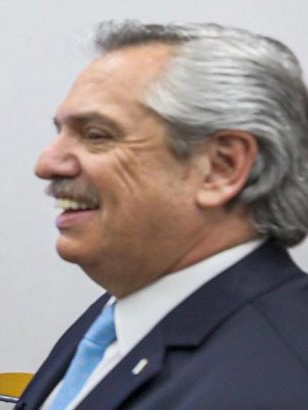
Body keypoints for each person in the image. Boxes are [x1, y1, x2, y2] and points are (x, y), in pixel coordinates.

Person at [17, 21, 308, 409]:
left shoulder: (274, 380)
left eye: (96, 135)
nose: (47, 164)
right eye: (60, 133)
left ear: (221, 167)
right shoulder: (119, 315)